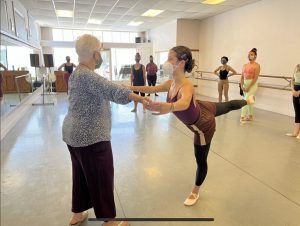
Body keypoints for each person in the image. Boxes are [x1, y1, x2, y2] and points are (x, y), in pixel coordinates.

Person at [129, 46, 255, 206]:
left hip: (203, 126)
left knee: (201, 161)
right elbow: (151, 88)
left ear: (182, 62)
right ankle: (247, 101)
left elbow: (183, 102)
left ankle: (195, 191)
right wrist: (129, 88)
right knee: (227, 105)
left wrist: (169, 107)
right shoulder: (171, 83)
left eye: (170, 59)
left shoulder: (187, 86)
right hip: (202, 107)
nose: (166, 62)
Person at [62, 34, 150, 226]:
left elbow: (105, 88)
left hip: (73, 135)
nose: (100, 55)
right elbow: (113, 90)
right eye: (100, 51)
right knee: (101, 176)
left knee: (81, 176)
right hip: (91, 136)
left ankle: (78, 213)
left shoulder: (77, 73)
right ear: (95, 54)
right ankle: (109, 220)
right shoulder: (88, 75)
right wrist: (141, 98)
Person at [240, 48, 260, 122]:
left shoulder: (257, 66)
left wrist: (248, 87)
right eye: (248, 54)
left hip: (252, 85)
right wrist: (242, 86)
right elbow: (242, 77)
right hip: (245, 84)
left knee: (246, 100)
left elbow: (255, 78)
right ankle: (251, 116)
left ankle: (242, 116)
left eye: (251, 54)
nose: (249, 56)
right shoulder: (244, 65)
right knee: (250, 100)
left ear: (255, 56)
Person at [286, 64, 300, 139]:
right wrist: (293, 90)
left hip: (299, 91)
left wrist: (299, 92)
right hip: (295, 91)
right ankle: (295, 132)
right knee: (297, 112)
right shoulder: (297, 66)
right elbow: (292, 79)